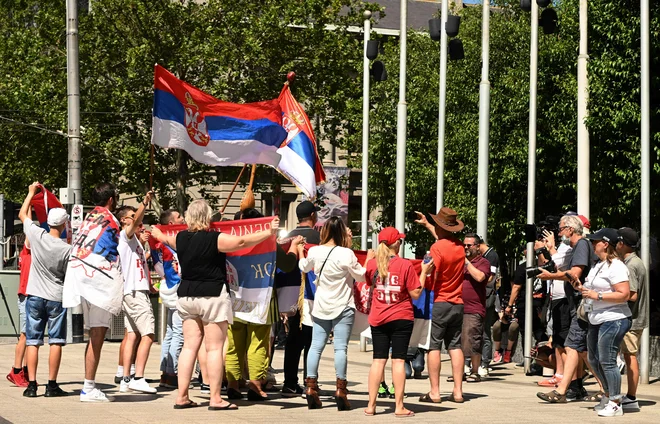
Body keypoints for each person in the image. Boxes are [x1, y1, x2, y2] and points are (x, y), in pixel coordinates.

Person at [151, 199, 278, 410]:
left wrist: (157, 233)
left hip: (186, 296)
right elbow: (241, 242)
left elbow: (166, 239)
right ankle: (216, 398)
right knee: (214, 348)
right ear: (208, 217)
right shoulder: (215, 239)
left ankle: (182, 396)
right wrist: (268, 232)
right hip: (212, 296)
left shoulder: (181, 238)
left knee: (189, 347)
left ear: (189, 217)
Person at [298, 216, 373, 411]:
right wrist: (371, 260)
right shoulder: (346, 254)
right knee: (341, 349)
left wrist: (299, 251)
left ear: (324, 232)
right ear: (341, 232)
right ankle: (341, 389)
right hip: (343, 306)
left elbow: (303, 267)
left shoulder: (314, 251)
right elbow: (361, 276)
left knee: (315, 347)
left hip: (321, 306)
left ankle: (311, 386)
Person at [224, 207, 298, 402]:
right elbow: (288, 265)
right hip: (261, 299)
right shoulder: (268, 241)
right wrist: (292, 250)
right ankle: (255, 385)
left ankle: (232, 383)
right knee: (258, 343)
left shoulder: (229, 240)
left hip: (235, 297)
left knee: (234, 343)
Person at [63, 182, 125, 402]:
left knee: (93, 335)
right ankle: (88, 387)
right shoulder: (111, 220)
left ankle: (89, 385)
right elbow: (112, 249)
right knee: (98, 334)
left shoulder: (90, 217)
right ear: (111, 200)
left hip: (78, 273)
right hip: (96, 279)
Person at [18, 182, 72, 397]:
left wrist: (31, 193)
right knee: (56, 342)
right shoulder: (67, 249)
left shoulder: (37, 236)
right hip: (56, 296)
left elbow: (23, 214)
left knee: (33, 341)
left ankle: (32, 385)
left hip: (34, 295)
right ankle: (52, 384)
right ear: (64, 224)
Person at [363, 227, 423, 417]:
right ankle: (399, 406)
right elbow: (416, 293)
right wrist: (425, 272)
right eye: (400, 241)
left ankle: (371, 406)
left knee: (378, 361)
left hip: (378, 317)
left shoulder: (372, 264)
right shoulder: (405, 265)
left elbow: (366, 283)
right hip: (401, 317)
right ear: (396, 243)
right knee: (398, 361)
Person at [536, 215, 596, 404]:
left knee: (575, 347)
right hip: (576, 304)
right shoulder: (575, 247)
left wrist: (551, 276)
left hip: (580, 304)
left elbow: (574, 274)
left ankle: (569, 389)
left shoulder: (581, 245)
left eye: (561, 229)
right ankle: (574, 388)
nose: (559, 232)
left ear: (570, 230)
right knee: (578, 348)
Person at [414, 207, 466, 404]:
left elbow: (430, 268)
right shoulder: (460, 247)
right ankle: (458, 391)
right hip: (458, 303)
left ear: (440, 225)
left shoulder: (437, 248)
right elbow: (444, 241)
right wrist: (428, 225)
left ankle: (435, 392)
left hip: (441, 301)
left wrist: (423, 269)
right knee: (455, 346)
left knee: (434, 346)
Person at [582, 228, 632, 417]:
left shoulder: (617, 266)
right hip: (596, 317)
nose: (593, 244)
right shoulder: (599, 265)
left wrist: (598, 295)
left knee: (608, 361)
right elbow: (591, 288)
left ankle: (616, 402)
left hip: (613, 318)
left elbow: (624, 294)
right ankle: (608, 394)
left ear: (605, 244)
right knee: (593, 359)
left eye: (595, 241)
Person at [276, 200, 321, 397]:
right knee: (311, 340)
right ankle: (310, 381)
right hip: (311, 293)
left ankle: (290, 382)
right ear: (312, 216)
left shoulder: (287, 237)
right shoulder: (320, 237)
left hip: (288, 292)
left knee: (293, 340)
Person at [116, 192, 157, 394]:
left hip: (133, 290)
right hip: (134, 292)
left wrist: (145, 244)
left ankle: (126, 378)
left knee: (132, 335)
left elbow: (138, 262)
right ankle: (138, 377)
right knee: (148, 334)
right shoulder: (124, 236)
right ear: (124, 220)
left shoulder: (134, 241)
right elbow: (137, 220)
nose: (138, 221)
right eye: (133, 217)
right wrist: (144, 203)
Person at [615, 227, 647, 412]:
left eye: (618, 242)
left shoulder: (631, 265)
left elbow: (632, 295)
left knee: (630, 356)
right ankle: (630, 396)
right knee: (629, 356)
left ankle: (632, 397)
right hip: (634, 318)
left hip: (633, 318)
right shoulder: (635, 262)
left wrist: (608, 295)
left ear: (622, 244)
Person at [154, 209, 185, 389]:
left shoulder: (158, 242)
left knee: (170, 332)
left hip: (168, 287)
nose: (183, 218)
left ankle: (165, 372)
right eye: (180, 216)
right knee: (178, 334)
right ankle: (172, 373)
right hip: (176, 288)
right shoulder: (170, 243)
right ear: (172, 224)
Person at [461, 233, 492, 382]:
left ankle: (475, 371)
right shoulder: (459, 262)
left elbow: (480, 277)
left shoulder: (483, 262)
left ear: (477, 246)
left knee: (473, 340)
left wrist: (467, 263)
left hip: (474, 309)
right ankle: (459, 371)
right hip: (458, 307)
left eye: (469, 245)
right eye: (464, 245)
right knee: (457, 342)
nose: (466, 248)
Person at [6, 242, 31, 387]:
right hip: (26, 296)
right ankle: (16, 370)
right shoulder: (27, 252)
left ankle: (26, 372)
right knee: (25, 335)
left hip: (31, 295)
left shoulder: (29, 253)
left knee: (31, 338)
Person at [478, 236, 500, 376]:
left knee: (485, 331)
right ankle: (480, 361)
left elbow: (490, 277)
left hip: (487, 296)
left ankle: (485, 362)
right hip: (483, 296)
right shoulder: (487, 255)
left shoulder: (491, 256)